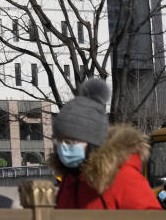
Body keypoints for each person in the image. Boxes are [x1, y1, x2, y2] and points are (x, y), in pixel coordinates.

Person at [51, 78, 159, 209]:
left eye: (70, 141)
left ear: (92, 142)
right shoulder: (70, 180)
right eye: (59, 140)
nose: (63, 147)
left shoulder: (122, 178)